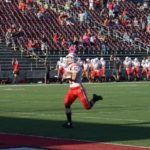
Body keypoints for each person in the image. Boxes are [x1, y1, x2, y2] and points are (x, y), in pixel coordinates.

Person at [62, 53, 103, 128]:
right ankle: (69, 122)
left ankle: (94, 99)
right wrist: (64, 76)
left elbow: (73, 78)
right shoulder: (69, 66)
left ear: (72, 58)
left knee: (87, 107)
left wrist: (66, 77)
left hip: (78, 89)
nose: (67, 59)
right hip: (71, 89)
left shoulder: (75, 66)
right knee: (66, 104)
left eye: (68, 58)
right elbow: (65, 75)